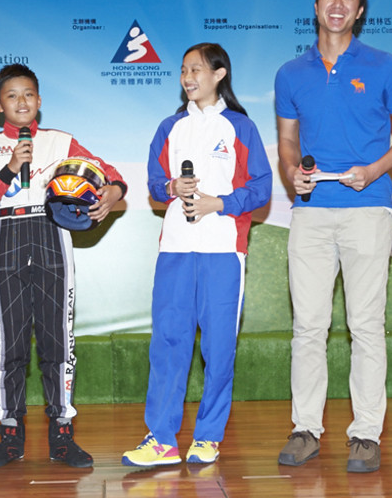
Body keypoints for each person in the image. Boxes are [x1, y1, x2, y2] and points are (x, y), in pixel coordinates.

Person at [274, 0, 392, 473]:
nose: (338, 5)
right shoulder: (290, 73)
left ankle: (365, 434)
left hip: (368, 209)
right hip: (312, 213)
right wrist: (292, 171)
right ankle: (306, 429)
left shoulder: (385, 66)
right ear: (316, 6)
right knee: (309, 326)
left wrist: (374, 169)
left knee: (365, 326)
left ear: (360, 10)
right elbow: (288, 140)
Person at [0, 63, 127, 469]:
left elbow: (112, 176)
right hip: (6, 235)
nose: (22, 101)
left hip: (52, 232)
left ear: (39, 101)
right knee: (10, 344)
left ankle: (62, 433)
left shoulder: (61, 141)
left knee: (58, 341)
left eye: (29, 94)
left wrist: (112, 193)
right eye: (12, 95)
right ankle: (11, 433)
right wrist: (8, 167)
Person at [122, 42, 273, 466]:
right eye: (184, 70)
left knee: (219, 346)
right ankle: (163, 440)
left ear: (219, 74)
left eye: (197, 70)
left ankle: (207, 436)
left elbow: (261, 188)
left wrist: (218, 203)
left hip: (223, 250)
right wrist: (172, 187)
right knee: (169, 342)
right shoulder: (169, 127)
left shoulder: (240, 127)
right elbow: (153, 183)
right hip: (175, 248)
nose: (188, 77)